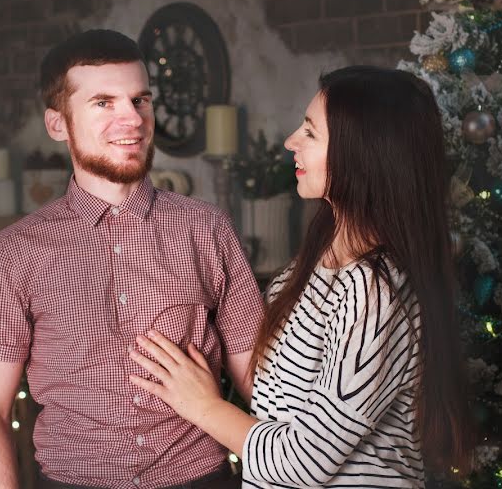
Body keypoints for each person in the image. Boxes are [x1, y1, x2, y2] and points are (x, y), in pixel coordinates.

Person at [129, 66, 473, 488]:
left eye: (310, 132)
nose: (291, 141)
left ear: (361, 155)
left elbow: (305, 463)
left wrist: (203, 406)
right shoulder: (307, 267)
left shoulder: (376, 291)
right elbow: (275, 404)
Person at [0, 29, 264, 489]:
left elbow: (260, 386)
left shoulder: (207, 228)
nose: (133, 120)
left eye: (140, 100)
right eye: (104, 102)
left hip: (200, 479)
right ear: (57, 124)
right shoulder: (14, 254)